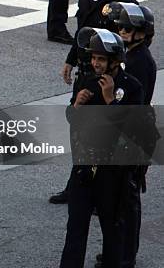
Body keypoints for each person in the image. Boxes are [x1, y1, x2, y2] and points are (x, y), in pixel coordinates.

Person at [50, 0, 137, 204]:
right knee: (79, 130)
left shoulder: (123, 2)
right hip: (86, 74)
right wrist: (70, 60)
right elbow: (83, 34)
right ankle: (75, 185)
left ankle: (105, 192)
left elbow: (133, 41)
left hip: (109, 77)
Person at [60, 27, 144, 268]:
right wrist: (76, 105)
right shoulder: (87, 81)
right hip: (84, 166)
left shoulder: (131, 87)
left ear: (115, 62)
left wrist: (110, 102)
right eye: (94, 58)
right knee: (75, 227)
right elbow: (72, 120)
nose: (96, 63)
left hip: (113, 172)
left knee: (112, 227)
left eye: (102, 59)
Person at [92, 3, 157, 268]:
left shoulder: (139, 62)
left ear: (143, 33)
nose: (123, 31)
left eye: (129, 28)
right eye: (120, 27)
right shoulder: (129, 55)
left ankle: (124, 256)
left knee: (127, 200)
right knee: (118, 200)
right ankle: (117, 252)